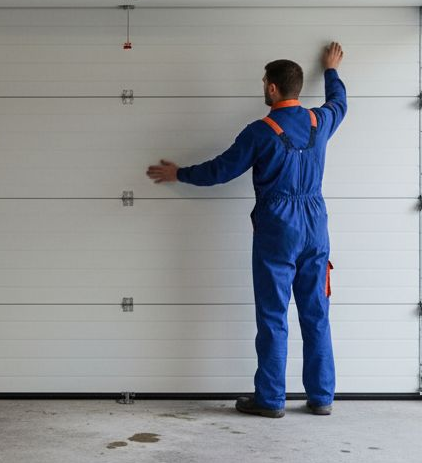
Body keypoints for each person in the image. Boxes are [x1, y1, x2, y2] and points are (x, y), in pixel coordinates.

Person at [146, 42, 347, 418]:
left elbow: (221, 170)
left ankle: (271, 400)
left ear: (272, 88)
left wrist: (180, 174)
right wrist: (332, 70)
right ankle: (322, 397)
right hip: (316, 225)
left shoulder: (260, 132)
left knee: (273, 315)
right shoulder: (320, 122)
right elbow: (341, 104)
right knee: (316, 311)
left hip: (278, 228)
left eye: (263, 82)